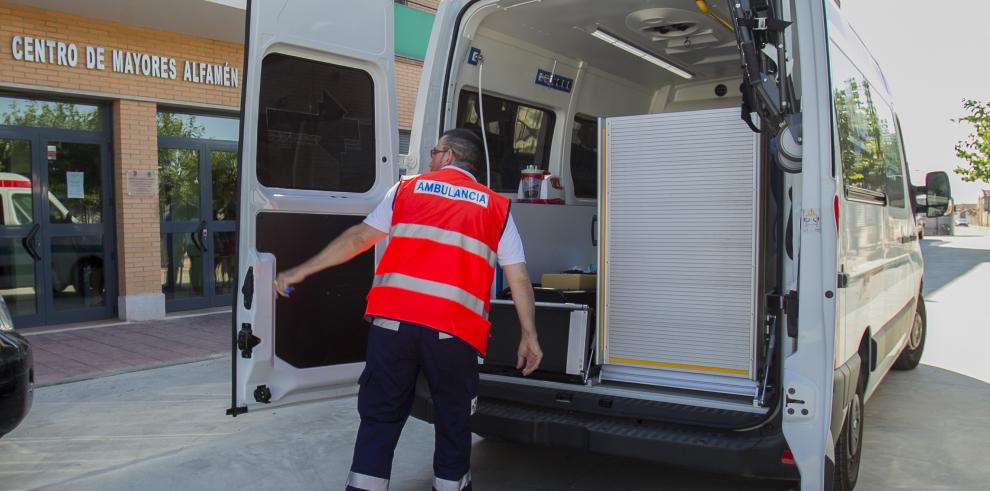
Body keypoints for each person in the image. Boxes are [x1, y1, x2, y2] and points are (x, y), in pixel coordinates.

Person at [275, 128, 542, 491]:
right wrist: (529, 335)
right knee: (453, 425)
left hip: (392, 327)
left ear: (448, 156)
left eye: (434, 153)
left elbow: (358, 239)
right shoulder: (496, 207)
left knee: (379, 422)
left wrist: (300, 270)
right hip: (453, 333)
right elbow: (519, 276)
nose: (429, 161)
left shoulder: (406, 189)